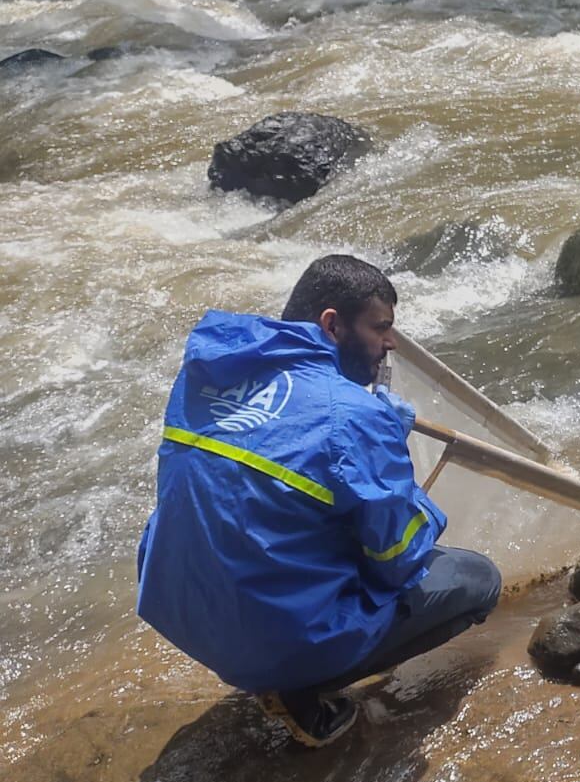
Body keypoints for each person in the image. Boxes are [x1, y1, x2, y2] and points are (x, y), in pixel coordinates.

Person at [136, 255, 502, 747]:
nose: (391, 344)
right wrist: (387, 458)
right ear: (332, 324)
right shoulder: (353, 415)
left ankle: (274, 656)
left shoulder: (207, 369)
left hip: (180, 612)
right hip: (267, 641)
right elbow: (399, 561)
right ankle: (299, 688)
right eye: (381, 328)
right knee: (479, 578)